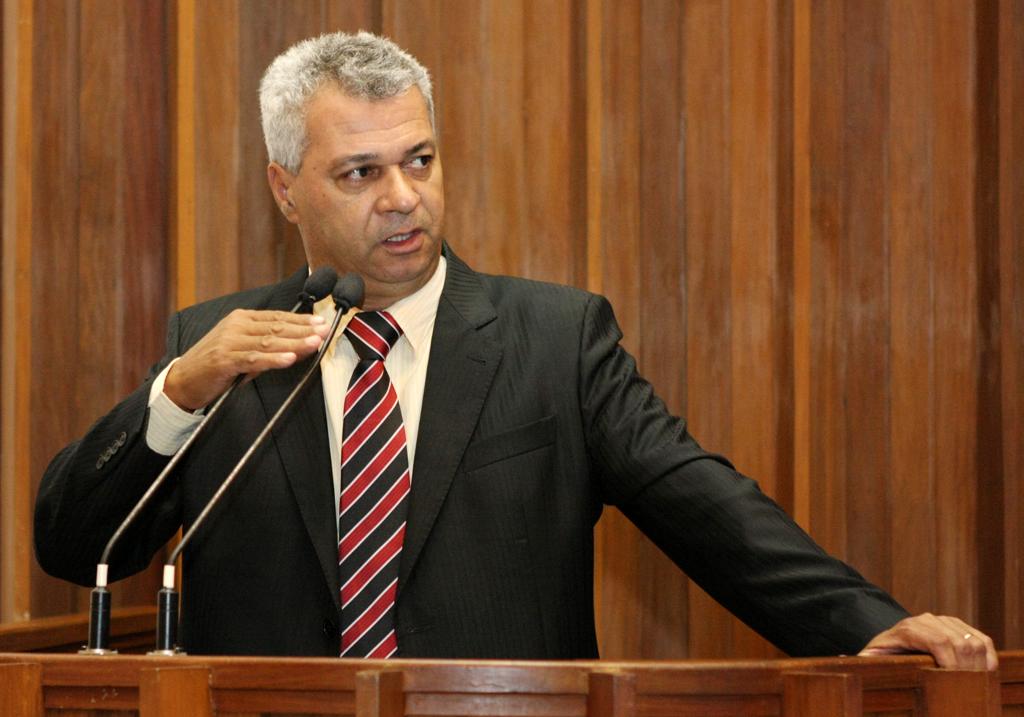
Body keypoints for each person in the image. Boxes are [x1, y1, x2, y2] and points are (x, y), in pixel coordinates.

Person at [35, 31, 995, 668]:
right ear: (286, 189)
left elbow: (707, 506)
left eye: (419, 160)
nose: (404, 198)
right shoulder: (221, 353)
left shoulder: (556, 340)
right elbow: (76, 548)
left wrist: (869, 624)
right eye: (360, 173)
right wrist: (179, 391)